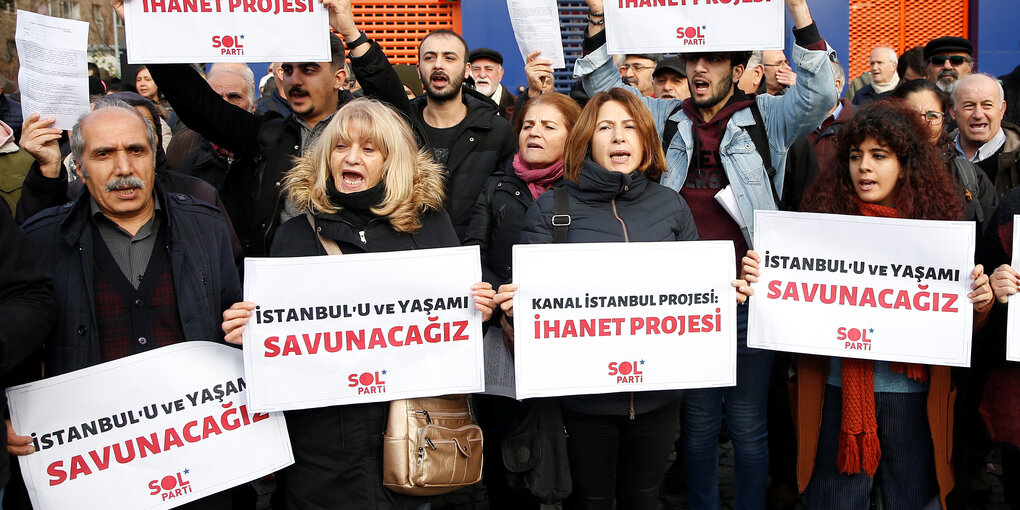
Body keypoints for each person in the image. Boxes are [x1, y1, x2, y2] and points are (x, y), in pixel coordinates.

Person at [571, 0, 837, 507]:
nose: (698, 69)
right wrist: (599, 18)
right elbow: (601, 84)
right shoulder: (662, 116)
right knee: (695, 427)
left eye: (711, 60)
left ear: (738, 71)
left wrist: (799, 11)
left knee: (747, 424)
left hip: (746, 297)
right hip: (683, 301)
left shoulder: (767, 119)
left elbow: (821, 91)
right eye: (693, 60)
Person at [220, 97, 495, 509]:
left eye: (369, 149)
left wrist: (478, 311)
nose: (352, 158)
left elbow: (452, 330)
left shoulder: (428, 225)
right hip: (325, 452)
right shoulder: (294, 236)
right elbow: (280, 338)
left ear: (392, 160)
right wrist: (248, 333)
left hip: (416, 437)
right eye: (340, 147)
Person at [491, 87, 752, 510]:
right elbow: (531, 316)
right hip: (583, 400)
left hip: (657, 397)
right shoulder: (551, 210)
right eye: (606, 127)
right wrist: (515, 309)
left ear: (647, 140)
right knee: (591, 501)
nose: (619, 137)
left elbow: (694, 296)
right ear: (586, 139)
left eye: (630, 127)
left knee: (644, 499)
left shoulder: (671, 206)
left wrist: (727, 296)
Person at [741, 101, 992, 510]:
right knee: (835, 500)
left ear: (905, 164)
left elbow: (959, 326)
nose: (864, 167)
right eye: (856, 156)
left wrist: (978, 304)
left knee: (911, 499)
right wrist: (763, 279)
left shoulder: (937, 235)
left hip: (912, 396)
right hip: (837, 391)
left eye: (879, 156)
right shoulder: (819, 226)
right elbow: (790, 306)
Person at [12, 101, 240, 509]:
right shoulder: (41, 241)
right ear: (78, 166)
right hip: (94, 473)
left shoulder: (207, 227)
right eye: (104, 154)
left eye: (136, 150)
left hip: (200, 464)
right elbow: (19, 345)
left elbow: (232, 323)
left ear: (155, 157)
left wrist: (250, 330)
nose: (123, 168)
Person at [462, 91, 580, 509]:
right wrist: (504, 309)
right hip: (502, 334)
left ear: (572, 135)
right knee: (505, 445)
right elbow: (476, 249)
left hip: (571, 337)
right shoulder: (495, 185)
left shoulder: (585, 189)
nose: (535, 132)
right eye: (528, 124)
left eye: (549, 126)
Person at [331, 0, 516, 242]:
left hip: (477, 261)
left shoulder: (498, 130)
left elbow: (509, 204)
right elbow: (380, 80)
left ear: (466, 69)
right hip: (411, 255)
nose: (438, 64)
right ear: (419, 70)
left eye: (449, 58)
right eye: (430, 58)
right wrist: (351, 33)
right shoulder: (402, 123)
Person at [891, 78, 997, 230]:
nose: (923, 123)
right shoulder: (871, 169)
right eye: (912, 114)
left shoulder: (968, 176)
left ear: (943, 121)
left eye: (932, 115)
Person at [950, 73, 1020, 198]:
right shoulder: (934, 154)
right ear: (953, 112)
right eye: (969, 105)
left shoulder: (1017, 158)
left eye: (987, 105)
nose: (978, 114)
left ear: (1002, 109)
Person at [469, 48, 516, 118]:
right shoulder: (455, 105)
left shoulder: (517, 107)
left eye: (489, 69)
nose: (482, 75)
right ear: (467, 73)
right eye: (476, 69)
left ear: (500, 74)